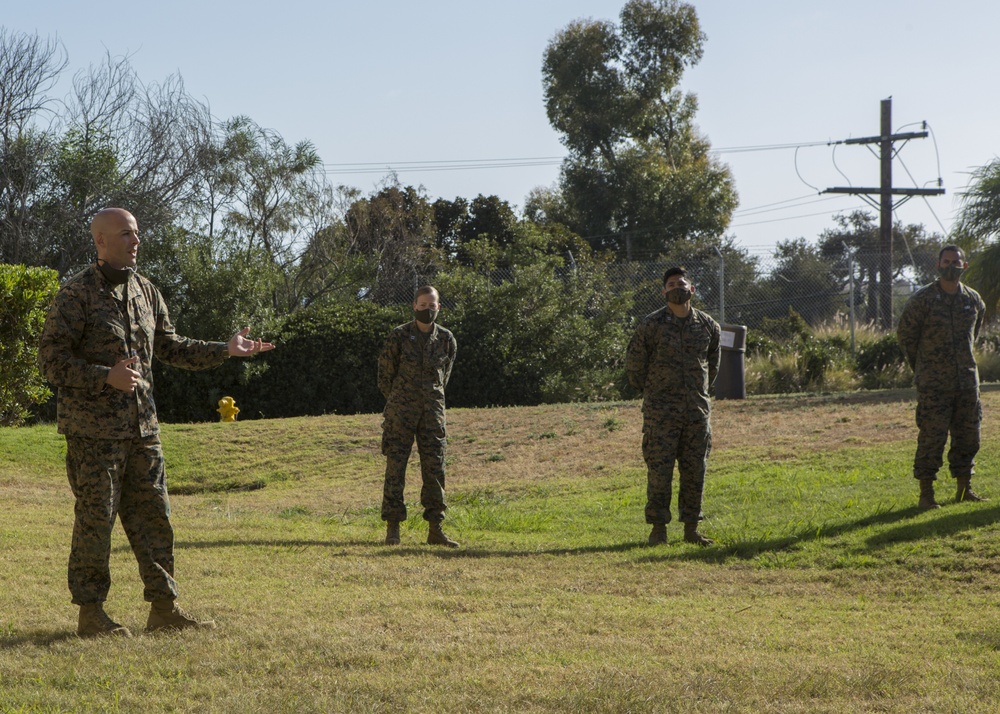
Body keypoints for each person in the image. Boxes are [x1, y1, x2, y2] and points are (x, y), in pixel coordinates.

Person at [38, 208, 274, 638]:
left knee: (155, 519)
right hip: (95, 436)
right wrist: (103, 376)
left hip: (143, 431)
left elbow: (171, 346)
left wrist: (225, 348)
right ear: (101, 242)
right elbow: (51, 361)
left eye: (138, 234)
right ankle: (91, 614)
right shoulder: (75, 296)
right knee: (96, 522)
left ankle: (164, 609)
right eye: (126, 234)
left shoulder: (146, 291)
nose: (136, 241)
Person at [625, 266, 721, 546]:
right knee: (659, 472)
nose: (676, 286)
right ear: (664, 292)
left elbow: (712, 365)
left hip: (696, 413)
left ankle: (691, 530)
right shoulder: (651, 325)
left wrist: (697, 392)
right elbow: (635, 366)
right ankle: (658, 531)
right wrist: (655, 393)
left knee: (695, 471)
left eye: (682, 282)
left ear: (692, 289)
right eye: (671, 284)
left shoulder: (707, 325)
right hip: (660, 414)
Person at [897, 245, 987, 509]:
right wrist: (924, 368)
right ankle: (926, 494)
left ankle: (964, 489)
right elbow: (906, 337)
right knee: (932, 437)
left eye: (955, 261)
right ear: (938, 266)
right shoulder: (922, 300)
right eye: (946, 261)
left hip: (967, 382)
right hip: (933, 385)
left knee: (969, 436)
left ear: (964, 265)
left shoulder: (972, 300)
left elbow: (974, 335)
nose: (951, 265)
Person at [377, 285, 459, 548]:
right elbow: (384, 377)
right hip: (401, 413)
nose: (427, 310)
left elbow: (444, 378)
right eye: (422, 305)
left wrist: (428, 400)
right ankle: (393, 529)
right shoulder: (398, 336)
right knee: (395, 469)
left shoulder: (447, 339)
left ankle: (436, 528)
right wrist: (401, 399)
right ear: (414, 306)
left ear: (439, 307)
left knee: (435, 469)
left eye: (431, 305)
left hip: (432, 414)